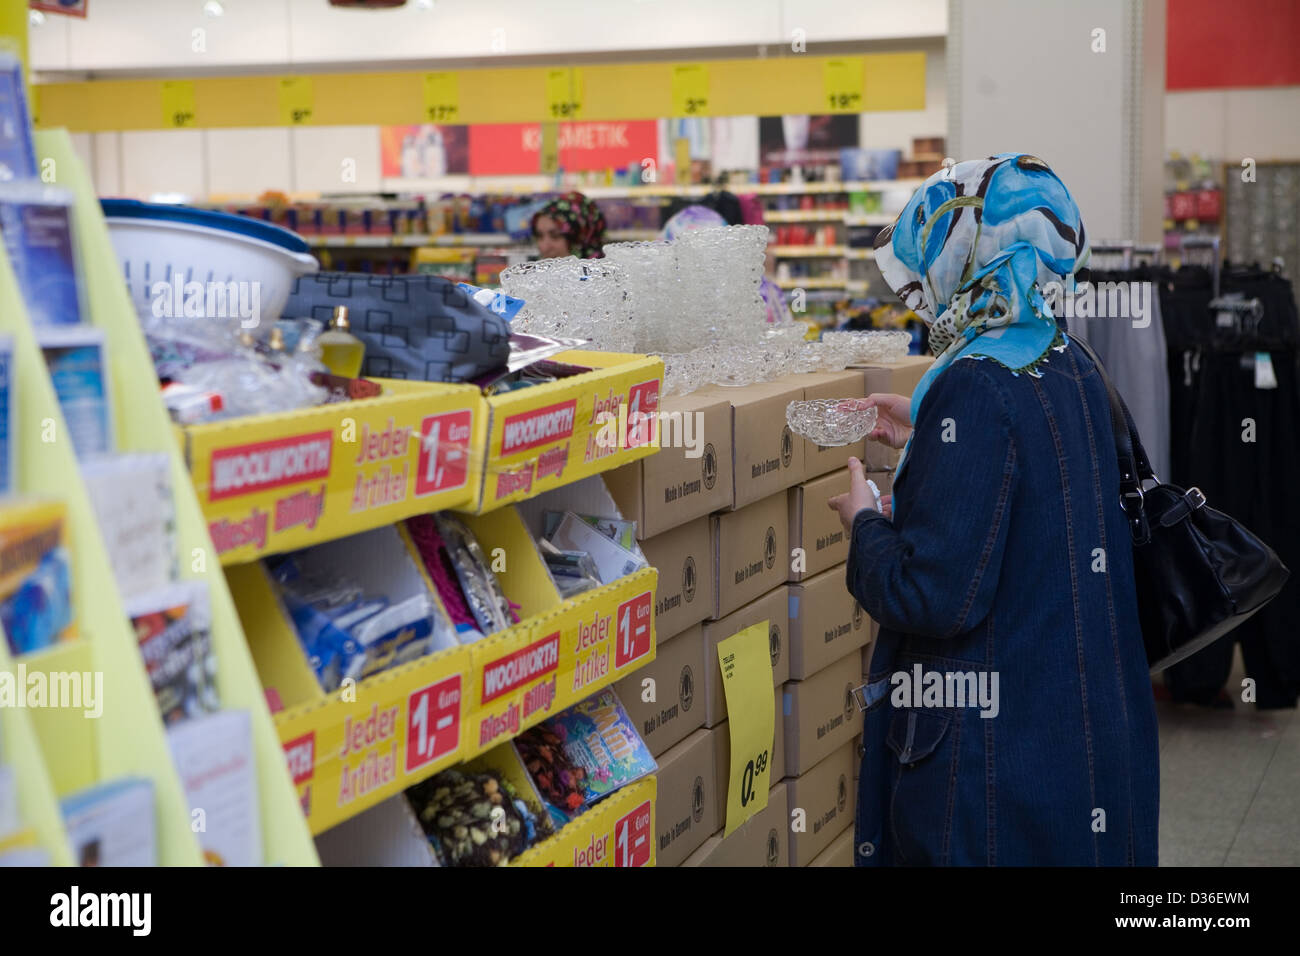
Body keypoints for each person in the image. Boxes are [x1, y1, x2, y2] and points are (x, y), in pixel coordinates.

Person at [827, 154, 1159, 866]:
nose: (921, 291)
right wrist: (929, 432)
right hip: (1083, 734)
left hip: (997, 771)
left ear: (967, 253)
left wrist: (865, 523)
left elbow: (931, 594)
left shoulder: (975, 386)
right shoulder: (1070, 360)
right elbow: (1036, 486)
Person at [530, 192, 607, 259]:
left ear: (580, 237)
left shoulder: (607, 273)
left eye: (555, 236)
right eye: (539, 236)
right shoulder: (530, 271)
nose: (544, 247)